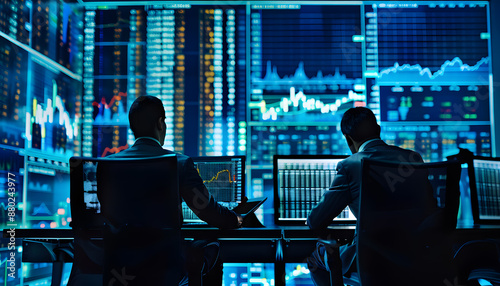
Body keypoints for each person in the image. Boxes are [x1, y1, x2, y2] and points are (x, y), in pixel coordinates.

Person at [106, 95, 243, 284]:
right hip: (165, 271)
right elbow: (208, 211)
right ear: (161, 123)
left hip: (121, 270)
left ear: (132, 127)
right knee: (212, 248)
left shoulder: (108, 165)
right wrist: (236, 219)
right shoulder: (179, 163)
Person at [306, 107, 425, 285]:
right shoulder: (413, 158)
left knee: (315, 258)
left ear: (347, 139)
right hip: (414, 256)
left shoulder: (350, 165)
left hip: (370, 260)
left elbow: (315, 221)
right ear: (378, 130)